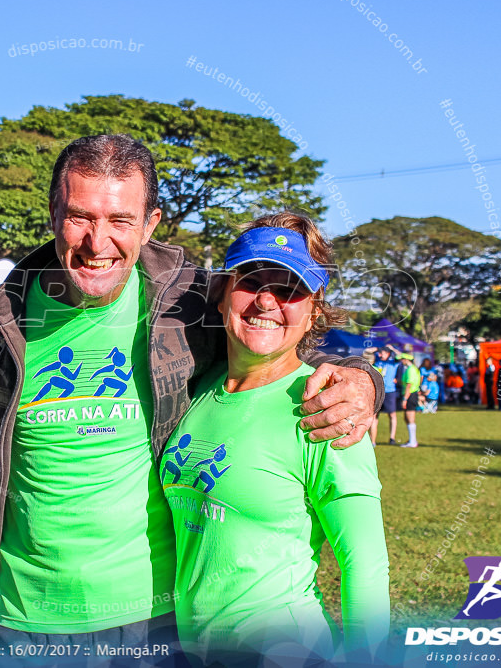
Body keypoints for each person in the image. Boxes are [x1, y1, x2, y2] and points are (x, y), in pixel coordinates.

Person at [0, 134, 384, 664]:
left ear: (152, 223)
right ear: (53, 212)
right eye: (80, 217)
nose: (98, 241)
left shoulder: (184, 305)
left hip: (150, 623)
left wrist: (364, 381)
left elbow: (273, 337)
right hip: (26, 620)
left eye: (121, 221)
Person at [162, 214, 389, 665]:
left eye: (289, 288)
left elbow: (364, 566)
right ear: (224, 293)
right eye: (252, 280)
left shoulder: (327, 408)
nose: (267, 300)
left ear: (313, 312)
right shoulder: (195, 390)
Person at [370, 347, 399, 446]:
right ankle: (373, 441)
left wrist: (392, 348)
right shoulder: (377, 361)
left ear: (387, 353)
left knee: (392, 415)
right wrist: (377, 348)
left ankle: (392, 438)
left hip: (390, 392)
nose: (379, 355)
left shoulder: (393, 362)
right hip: (378, 391)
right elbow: (366, 352)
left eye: (381, 353)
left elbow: (401, 355)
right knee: (374, 416)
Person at [398, 353, 421, 448]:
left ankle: (413, 441)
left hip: (410, 395)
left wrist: (405, 399)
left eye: (402, 359)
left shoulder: (411, 370)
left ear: (406, 360)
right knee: (407, 417)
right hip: (411, 394)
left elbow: (409, 385)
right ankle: (412, 440)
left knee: (410, 418)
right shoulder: (412, 369)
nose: (401, 361)